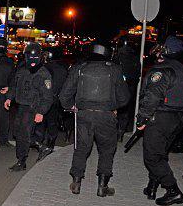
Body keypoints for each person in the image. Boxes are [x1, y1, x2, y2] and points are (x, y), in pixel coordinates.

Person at [59, 43, 130, 197]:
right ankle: (102, 186)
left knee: (81, 149)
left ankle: (76, 183)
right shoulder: (115, 69)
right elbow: (125, 97)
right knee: (106, 151)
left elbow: (64, 95)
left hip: (84, 115)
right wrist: (114, 106)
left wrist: (71, 107)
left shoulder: (79, 68)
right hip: (106, 116)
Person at [136, 36, 183, 206]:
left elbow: (152, 96)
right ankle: (152, 187)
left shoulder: (163, 70)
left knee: (152, 157)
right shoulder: (182, 69)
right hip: (176, 119)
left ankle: (173, 190)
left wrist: (142, 118)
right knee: (160, 154)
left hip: (160, 118)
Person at [5, 42, 54, 171]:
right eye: (29, 57)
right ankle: (41, 146)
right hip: (21, 106)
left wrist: (41, 112)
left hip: (33, 107)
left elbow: (48, 96)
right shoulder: (22, 70)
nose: (32, 60)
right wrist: (9, 98)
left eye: (35, 57)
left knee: (24, 134)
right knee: (17, 133)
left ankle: (21, 161)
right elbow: (14, 86)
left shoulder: (44, 74)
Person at [33, 46, 68, 161]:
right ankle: (50, 144)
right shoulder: (63, 69)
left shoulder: (43, 68)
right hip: (55, 100)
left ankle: (40, 144)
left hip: (43, 99)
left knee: (41, 123)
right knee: (52, 123)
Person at [113, 36, 141, 141]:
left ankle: (116, 132)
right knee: (125, 111)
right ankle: (120, 132)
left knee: (115, 109)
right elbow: (138, 74)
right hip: (130, 88)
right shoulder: (135, 57)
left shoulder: (118, 56)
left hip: (118, 87)